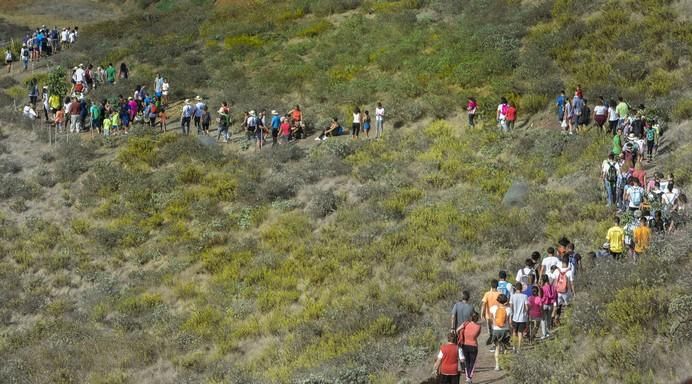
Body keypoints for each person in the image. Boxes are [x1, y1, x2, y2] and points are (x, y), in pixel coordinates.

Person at [457, 312, 481, 384]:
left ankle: (468, 377)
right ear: (477, 319)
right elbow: (477, 335)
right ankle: (469, 378)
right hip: (473, 345)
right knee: (472, 363)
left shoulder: (465, 323)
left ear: (471, 318)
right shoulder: (479, 326)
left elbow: (457, 329)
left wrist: (460, 335)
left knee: (467, 361)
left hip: (465, 345)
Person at [489, 294, 511, 370]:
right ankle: (504, 364)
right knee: (505, 348)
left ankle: (497, 365)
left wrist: (494, 323)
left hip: (496, 330)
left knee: (497, 348)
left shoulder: (493, 308)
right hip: (505, 330)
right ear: (505, 301)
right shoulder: (508, 309)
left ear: (498, 300)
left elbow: (491, 318)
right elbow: (509, 321)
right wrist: (511, 330)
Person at [551, 257, 574, 326]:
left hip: (557, 291)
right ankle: (569, 320)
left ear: (562, 262)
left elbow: (553, 281)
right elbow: (572, 283)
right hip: (566, 292)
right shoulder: (569, 271)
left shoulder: (557, 270)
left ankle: (552, 320)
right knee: (568, 306)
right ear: (568, 263)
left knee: (556, 306)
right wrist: (573, 292)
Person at [480, 279, 500, 346]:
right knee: (496, 330)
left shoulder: (487, 294)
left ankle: (494, 345)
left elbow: (483, 304)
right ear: (497, 285)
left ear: (491, 286)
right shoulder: (500, 294)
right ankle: (496, 344)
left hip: (488, 316)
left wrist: (482, 314)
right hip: (497, 316)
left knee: (491, 332)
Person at [509, 282, 528, 353]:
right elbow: (527, 308)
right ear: (521, 288)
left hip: (514, 317)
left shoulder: (512, 296)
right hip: (522, 318)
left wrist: (510, 317)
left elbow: (511, 308)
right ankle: (519, 348)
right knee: (520, 333)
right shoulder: (525, 296)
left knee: (514, 332)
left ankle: (514, 347)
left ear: (515, 288)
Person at [539, 274, 556, 338]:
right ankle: (548, 332)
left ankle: (544, 334)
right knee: (548, 319)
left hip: (544, 304)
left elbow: (540, 296)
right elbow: (554, 296)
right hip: (550, 305)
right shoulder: (552, 287)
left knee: (543, 319)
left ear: (543, 280)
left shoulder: (542, 288)